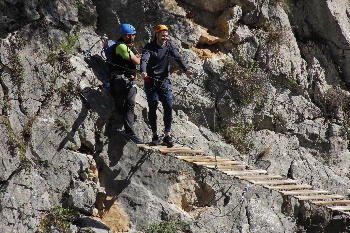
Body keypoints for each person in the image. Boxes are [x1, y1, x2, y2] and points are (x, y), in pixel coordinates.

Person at [140, 24, 193, 147]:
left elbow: (178, 57)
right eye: (163, 35)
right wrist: (143, 71)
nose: (165, 38)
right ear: (156, 35)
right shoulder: (149, 47)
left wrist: (186, 69)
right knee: (152, 107)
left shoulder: (169, 45)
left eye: (166, 36)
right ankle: (154, 135)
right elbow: (144, 60)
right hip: (150, 82)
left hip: (164, 82)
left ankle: (167, 135)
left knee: (168, 106)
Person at [108, 23, 143, 144]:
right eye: (133, 35)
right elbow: (137, 61)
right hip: (122, 80)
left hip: (118, 80)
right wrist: (142, 58)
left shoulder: (121, 47)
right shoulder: (122, 47)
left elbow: (130, 59)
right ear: (128, 36)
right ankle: (130, 133)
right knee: (129, 106)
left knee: (125, 106)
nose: (134, 37)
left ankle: (129, 131)